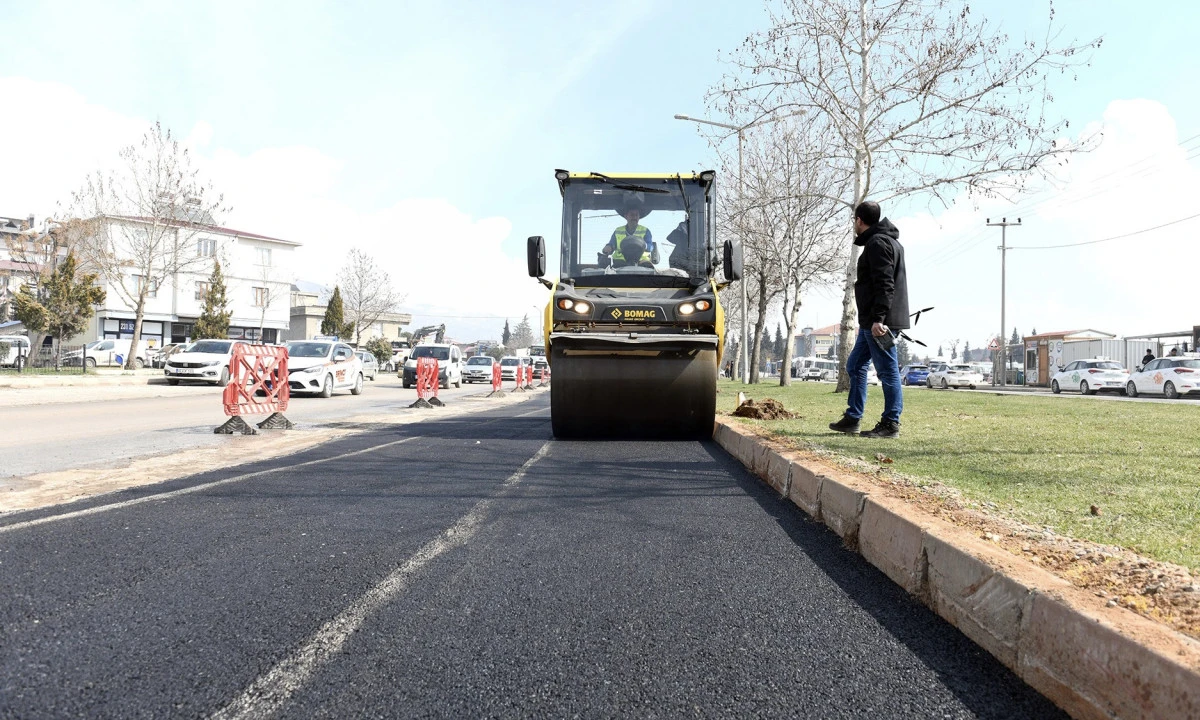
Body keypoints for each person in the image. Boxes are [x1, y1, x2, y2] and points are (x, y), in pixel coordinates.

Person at [829, 201, 909, 439]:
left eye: (854, 221)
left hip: (879, 323)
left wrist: (879, 319)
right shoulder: (886, 241)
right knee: (855, 365)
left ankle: (890, 424)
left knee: (887, 372)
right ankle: (852, 418)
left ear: (859, 221)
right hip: (870, 322)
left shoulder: (878, 243)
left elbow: (885, 284)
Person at [601, 201, 658, 266]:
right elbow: (612, 244)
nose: (634, 217)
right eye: (632, 215)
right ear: (626, 216)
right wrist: (608, 247)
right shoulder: (618, 231)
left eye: (636, 215)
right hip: (620, 263)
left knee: (649, 270)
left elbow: (650, 247)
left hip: (642, 263)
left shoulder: (645, 231)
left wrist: (643, 245)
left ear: (639, 216)